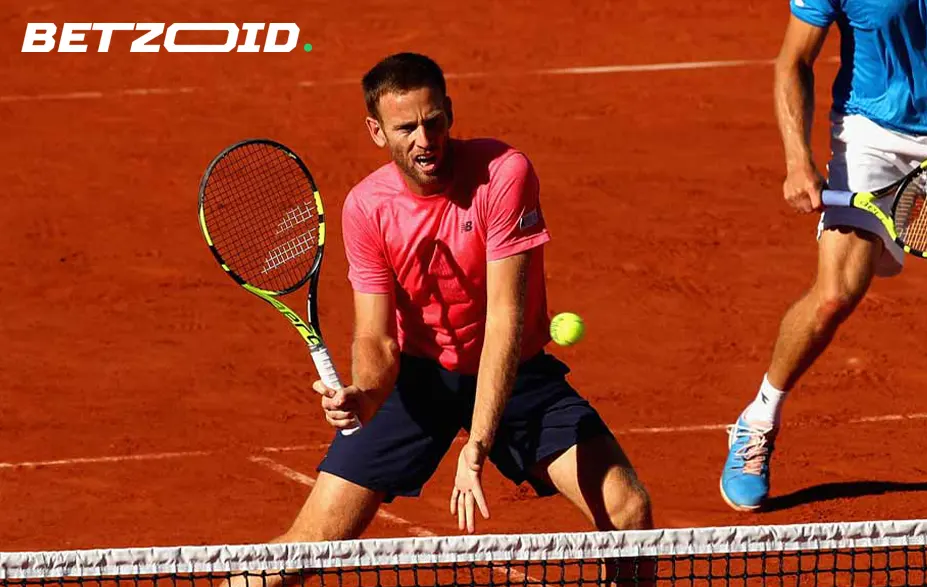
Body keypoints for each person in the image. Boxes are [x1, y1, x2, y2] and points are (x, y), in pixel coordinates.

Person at [265, 52, 653, 550]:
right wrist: (365, 394)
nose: (424, 141)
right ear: (377, 132)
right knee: (306, 544)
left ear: (449, 111)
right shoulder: (366, 207)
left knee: (629, 510)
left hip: (514, 371)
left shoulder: (503, 174)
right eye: (406, 128)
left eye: (433, 121)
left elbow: (504, 320)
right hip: (419, 380)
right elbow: (376, 337)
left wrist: (478, 446)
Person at [720, 0, 927, 512]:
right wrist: (796, 159)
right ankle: (757, 419)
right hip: (869, 137)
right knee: (834, 296)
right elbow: (793, 61)